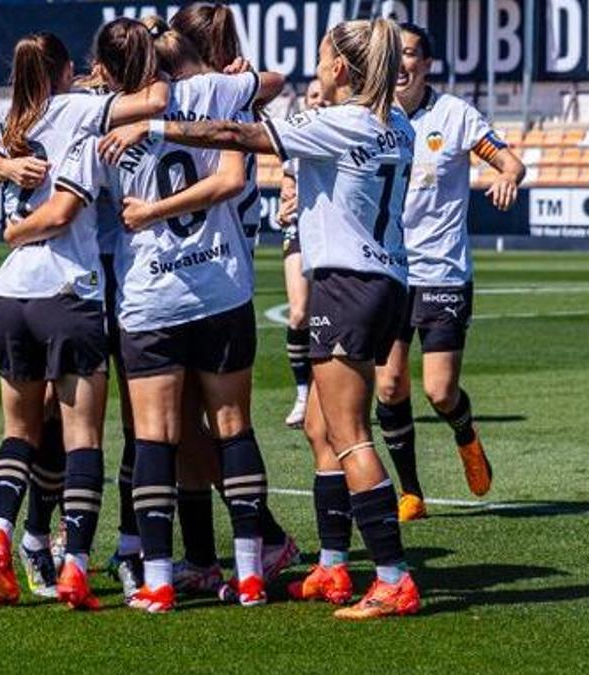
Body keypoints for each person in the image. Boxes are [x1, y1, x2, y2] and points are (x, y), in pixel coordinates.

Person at [101, 17, 421, 620]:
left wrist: (155, 123)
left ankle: (391, 575)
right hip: (385, 280)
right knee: (321, 431)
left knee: (349, 434)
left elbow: (236, 133)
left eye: (324, 58)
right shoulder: (396, 124)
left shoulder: (339, 122)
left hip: (345, 283)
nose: (316, 68)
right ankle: (331, 567)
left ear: (341, 71)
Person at [18, 19, 281, 613]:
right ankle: (249, 578)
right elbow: (272, 85)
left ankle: (157, 578)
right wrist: (237, 77)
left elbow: (61, 194)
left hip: (149, 295)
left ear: (106, 70)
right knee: (234, 427)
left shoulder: (96, 120)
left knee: (154, 438)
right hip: (221, 286)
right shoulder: (209, 91)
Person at [0, 26, 172, 610]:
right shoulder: (83, 115)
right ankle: (73, 562)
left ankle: (5, 533)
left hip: (14, 290)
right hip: (77, 288)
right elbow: (63, 209)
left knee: (24, 430)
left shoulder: (12, 117)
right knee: (83, 434)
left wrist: (3, 173)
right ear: (68, 71)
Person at [161, 3, 302, 594]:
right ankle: (208, 555)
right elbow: (274, 81)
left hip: (211, 270)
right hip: (206, 269)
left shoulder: (218, 92)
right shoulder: (237, 89)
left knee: (213, 424)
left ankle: (263, 540)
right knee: (195, 427)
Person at [374, 23, 525, 521]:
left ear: (427, 63)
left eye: (412, 54)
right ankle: (411, 493)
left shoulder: (454, 115)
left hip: (442, 272)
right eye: (395, 54)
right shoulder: (372, 116)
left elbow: (509, 161)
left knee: (439, 390)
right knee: (390, 387)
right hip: (390, 271)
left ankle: (466, 434)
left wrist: (506, 175)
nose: (402, 64)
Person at [277, 78, 327, 429]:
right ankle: (301, 392)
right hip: (299, 230)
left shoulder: (341, 134)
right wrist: (285, 206)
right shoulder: (295, 139)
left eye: (324, 95)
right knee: (298, 314)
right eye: (312, 96)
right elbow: (287, 188)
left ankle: (327, 394)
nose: (319, 101)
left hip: (331, 236)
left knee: (327, 319)